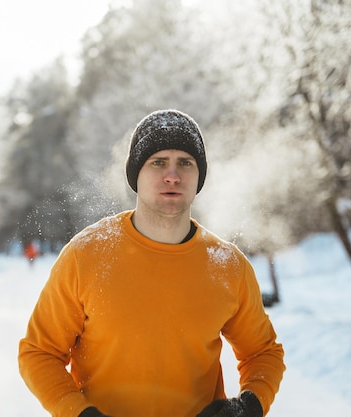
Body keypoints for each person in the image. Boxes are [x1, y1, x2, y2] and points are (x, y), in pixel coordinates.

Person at [18, 109, 285, 417]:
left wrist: (249, 406)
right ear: (136, 175)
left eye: (185, 163)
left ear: (199, 176)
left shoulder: (228, 265)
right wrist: (78, 413)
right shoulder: (86, 255)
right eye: (158, 162)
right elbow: (39, 353)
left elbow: (263, 352)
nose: (172, 175)